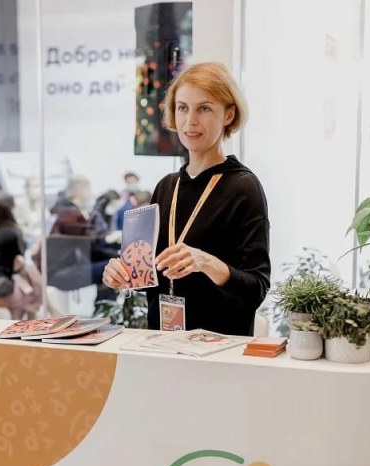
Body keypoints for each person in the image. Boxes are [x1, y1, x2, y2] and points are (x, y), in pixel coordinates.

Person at [102, 61, 270, 335]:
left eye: (204, 108)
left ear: (228, 115)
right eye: (182, 108)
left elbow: (256, 289)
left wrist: (206, 263)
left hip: (219, 348)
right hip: (162, 344)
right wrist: (122, 273)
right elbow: (149, 274)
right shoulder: (166, 187)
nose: (190, 120)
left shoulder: (243, 187)